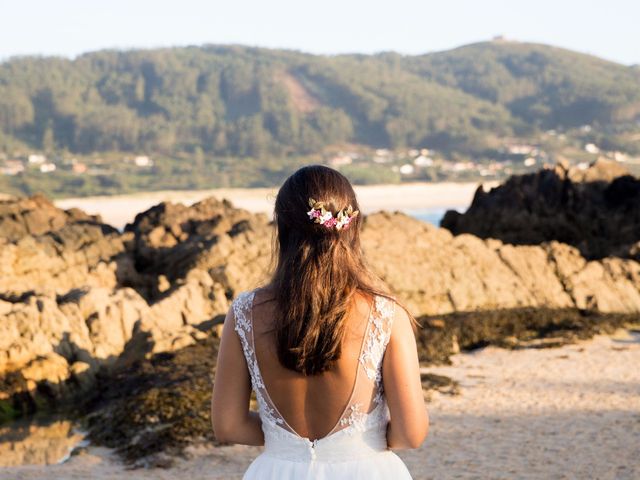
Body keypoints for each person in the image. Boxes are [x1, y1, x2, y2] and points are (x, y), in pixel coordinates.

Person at [211, 164, 428, 479]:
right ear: (352, 226)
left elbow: (228, 426)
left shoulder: (245, 312)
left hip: (277, 470)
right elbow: (411, 434)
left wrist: (283, 441)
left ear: (282, 229)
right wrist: (362, 441)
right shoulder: (385, 314)